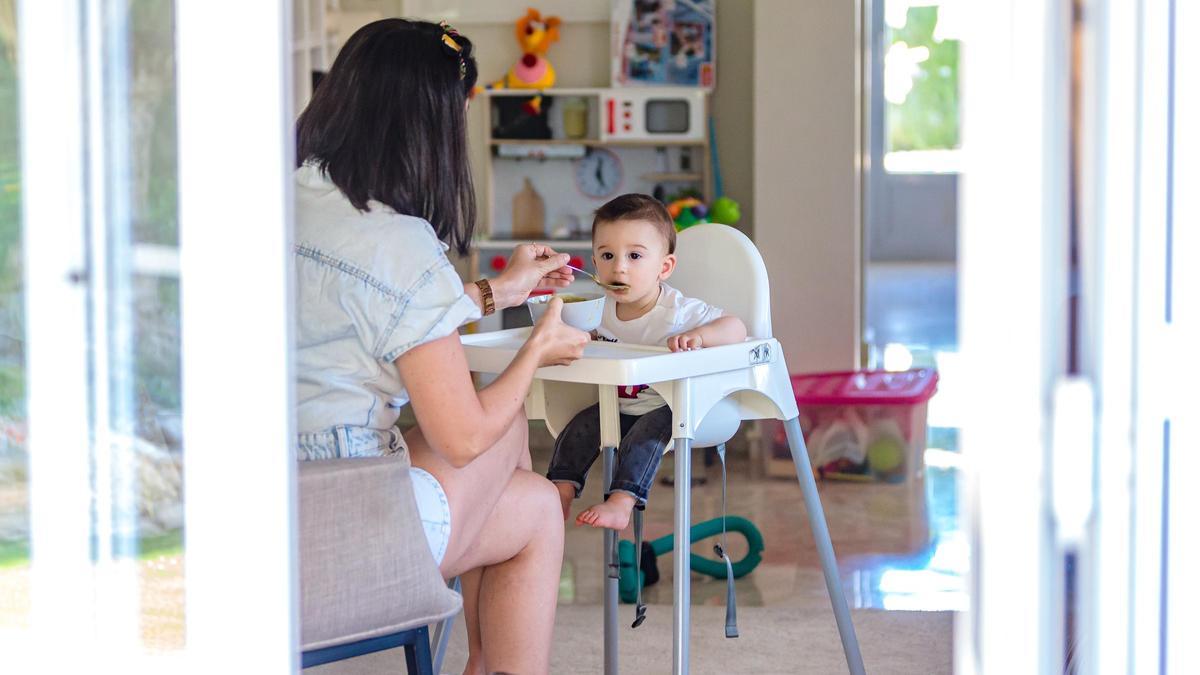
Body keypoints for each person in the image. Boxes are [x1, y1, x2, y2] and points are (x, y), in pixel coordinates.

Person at [292, 19, 589, 674]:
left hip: (259, 514)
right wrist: (537, 349)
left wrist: (495, 291)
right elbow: (462, 437)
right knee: (510, 439)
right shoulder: (398, 242)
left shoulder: (280, 198)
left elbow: (365, 310)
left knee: (534, 501)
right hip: (344, 536)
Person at [546, 194, 747, 530]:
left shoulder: (678, 312)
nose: (619, 267)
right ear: (595, 263)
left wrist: (700, 336)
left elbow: (736, 327)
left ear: (664, 267)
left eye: (635, 256)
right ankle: (561, 490)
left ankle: (622, 501)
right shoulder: (597, 311)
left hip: (669, 407)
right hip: (616, 405)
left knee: (645, 437)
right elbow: (577, 335)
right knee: (579, 426)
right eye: (607, 256)